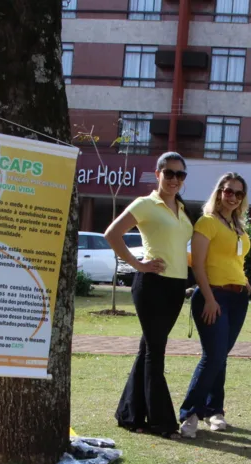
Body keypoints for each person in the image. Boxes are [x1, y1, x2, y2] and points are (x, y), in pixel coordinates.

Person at [105, 152, 194, 438]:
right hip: (152, 284)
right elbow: (112, 233)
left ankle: (130, 414)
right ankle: (161, 422)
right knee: (156, 352)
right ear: (158, 174)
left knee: (148, 350)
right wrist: (138, 264)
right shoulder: (145, 203)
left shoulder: (180, 209)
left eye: (180, 175)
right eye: (169, 173)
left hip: (176, 287)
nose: (174, 179)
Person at [178, 173, 251, 438]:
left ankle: (214, 411)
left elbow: (235, 259)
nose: (232, 197)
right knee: (214, 355)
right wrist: (209, 298)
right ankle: (189, 413)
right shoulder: (207, 222)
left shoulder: (237, 226)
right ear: (219, 192)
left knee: (221, 356)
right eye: (228, 191)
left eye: (238, 193)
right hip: (213, 296)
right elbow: (197, 264)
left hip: (238, 298)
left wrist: (244, 281)